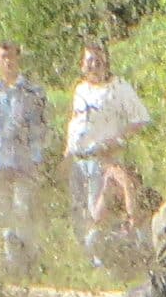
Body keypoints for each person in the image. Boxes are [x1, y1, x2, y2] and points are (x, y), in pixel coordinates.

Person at [65, 44, 151, 234]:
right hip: (78, 160)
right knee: (79, 211)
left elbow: (141, 118)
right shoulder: (80, 90)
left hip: (102, 159)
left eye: (98, 61)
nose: (94, 66)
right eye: (89, 61)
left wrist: (117, 140)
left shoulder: (118, 87)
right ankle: (85, 255)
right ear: (82, 65)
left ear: (106, 64)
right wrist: (67, 154)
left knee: (99, 211)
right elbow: (75, 123)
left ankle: (101, 255)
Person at [0, 42, 52, 256]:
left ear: (18, 59)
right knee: (4, 213)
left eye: (12, 56)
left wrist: (38, 156)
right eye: (3, 57)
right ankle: (10, 259)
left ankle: (28, 256)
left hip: (24, 161)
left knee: (23, 208)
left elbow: (41, 125)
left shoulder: (33, 92)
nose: (8, 61)